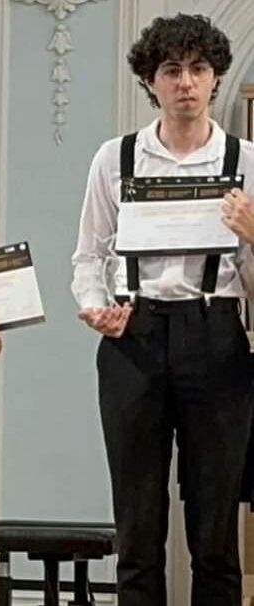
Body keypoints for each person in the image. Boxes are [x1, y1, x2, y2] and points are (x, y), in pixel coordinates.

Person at [71, 14, 254, 605]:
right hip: (135, 336)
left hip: (216, 333)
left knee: (216, 530)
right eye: (171, 70)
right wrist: (95, 306)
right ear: (151, 81)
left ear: (216, 77)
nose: (186, 82)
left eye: (198, 69)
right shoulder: (116, 158)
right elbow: (88, 255)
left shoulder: (246, 160)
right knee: (137, 526)